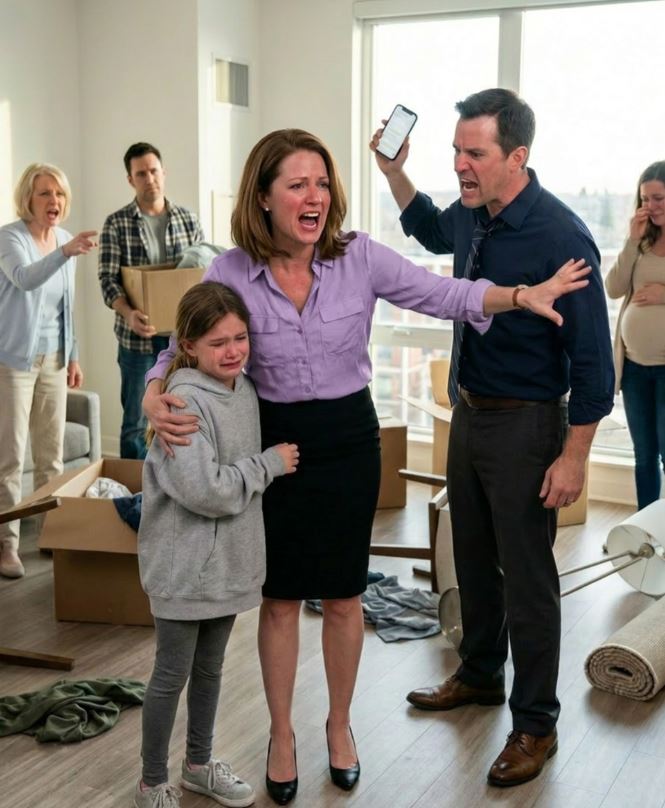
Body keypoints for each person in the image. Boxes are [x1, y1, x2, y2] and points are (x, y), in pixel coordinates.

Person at [143, 128, 590, 804]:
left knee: (345, 596)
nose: (314, 196)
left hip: (349, 442)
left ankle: (339, 725)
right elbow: (182, 346)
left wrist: (518, 295)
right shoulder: (229, 271)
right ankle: (282, 736)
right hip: (274, 446)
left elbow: (446, 294)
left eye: (322, 183)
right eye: (297, 184)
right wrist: (153, 392)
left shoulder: (359, 256)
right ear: (263, 197)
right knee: (280, 600)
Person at [371, 88, 615, 787]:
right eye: (455, 151)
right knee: (471, 558)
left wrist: (573, 457)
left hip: (527, 425)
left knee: (528, 579)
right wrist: (394, 171)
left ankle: (536, 724)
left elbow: (594, 365)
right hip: (470, 413)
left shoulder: (561, 237)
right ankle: (479, 673)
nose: (460, 165)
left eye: (473, 153)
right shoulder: (474, 215)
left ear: (517, 156)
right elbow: (427, 230)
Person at [135, 281, 299, 808]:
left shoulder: (242, 389)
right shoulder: (182, 401)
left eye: (240, 338)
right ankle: (151, 782)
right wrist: (268, 465)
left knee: (210, 669)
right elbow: (206, 490)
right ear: (187, 346)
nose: (232, 351)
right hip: (183, 569)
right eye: (218, 342)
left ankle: (198, 766)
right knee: (171, 675)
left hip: (228, 565)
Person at [0, 163, 97, 579]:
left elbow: (66, 306)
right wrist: (64, 253)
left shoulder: (63, 240)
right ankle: (6, 546)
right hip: (14, 363)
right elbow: (24, 279)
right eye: (44, 193)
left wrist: (73, 355)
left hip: (54, 360)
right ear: (28, 198)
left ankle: (50, 535)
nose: (53, 200)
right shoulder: (10, 238)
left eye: (58, 193)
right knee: (10, 459)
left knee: (50, 459)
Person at [98, 142, 204, 459]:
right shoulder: (117, 223)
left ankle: (172, 481)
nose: (150, 179)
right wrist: (129, 313)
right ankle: (135, 487)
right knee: (136, 421)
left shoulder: (188, 220)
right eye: (141, 174)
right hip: (137, 340)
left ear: (163, 172)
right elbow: (107, 280)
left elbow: (203, 271)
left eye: (154, 171)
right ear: (131, 179)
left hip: (181, 338)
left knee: (183, 412)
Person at [606, 161, 665, 511]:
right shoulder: (641, 242)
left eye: (658, 198)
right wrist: (631, 240)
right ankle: (647, 530)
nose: (650, 206)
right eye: (645, 199)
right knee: (644, 456)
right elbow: (613, 288)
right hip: (634, 368)